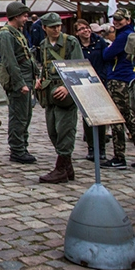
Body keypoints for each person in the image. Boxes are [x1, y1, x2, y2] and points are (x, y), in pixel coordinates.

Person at [34, 12, 83, 183]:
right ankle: (67, 168)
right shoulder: (44, 44)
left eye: (58, 26)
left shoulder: (70, 42)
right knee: (52, 131)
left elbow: (78, 67)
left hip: (65, 92)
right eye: (53, 26)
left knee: (65, 129)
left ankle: (61, 169)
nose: (57, 29)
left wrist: (67, 87)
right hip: (49, 93)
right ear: (44, 28)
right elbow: (45, 67)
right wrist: (40, 80)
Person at [101, 8, 135, 169]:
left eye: (120, 20)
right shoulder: (132, 34)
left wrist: (109, 51)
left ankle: (119, 156)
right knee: (130, 117)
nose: (116, 22)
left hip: (119, 79)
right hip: (129, 79)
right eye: (115, 20)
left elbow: (106, 54)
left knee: (119, 118)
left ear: (128, 20)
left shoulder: (123, 36)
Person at [0, 1, 38, 164]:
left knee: (26, 115)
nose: (26, 19)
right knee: (18, 116)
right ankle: (17, 149)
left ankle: (23, 145)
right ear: (15, 16)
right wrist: (20, 83)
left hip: (27, 78)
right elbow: (10, 62)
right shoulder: (6, 34)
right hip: (18, 81)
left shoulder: (17, 32)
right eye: (23, 16)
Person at [74, 19, 108, 161]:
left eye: (87, 27)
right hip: (84, 83)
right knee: (87, 117)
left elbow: (107, 59)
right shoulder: (76, 45)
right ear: (77, 32)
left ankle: (101, 148)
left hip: (100, 82)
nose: (86, 30)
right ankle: (91, 147)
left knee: (100, 117)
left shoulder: (100, 42)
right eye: (81, 29)